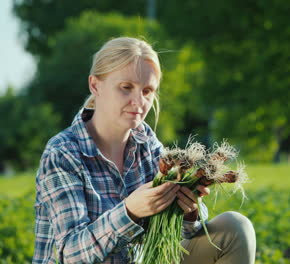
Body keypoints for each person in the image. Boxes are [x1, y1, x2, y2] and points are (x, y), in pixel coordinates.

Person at [33, 37, 256, 264]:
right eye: (126, 88)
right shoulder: (63, 153)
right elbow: (70, 254)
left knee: (234, 228)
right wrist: (129, 211)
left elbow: (169, 237)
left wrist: (187, 214)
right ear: (95, 85)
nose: (139, 102)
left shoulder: (147, 143)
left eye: (147, 90)